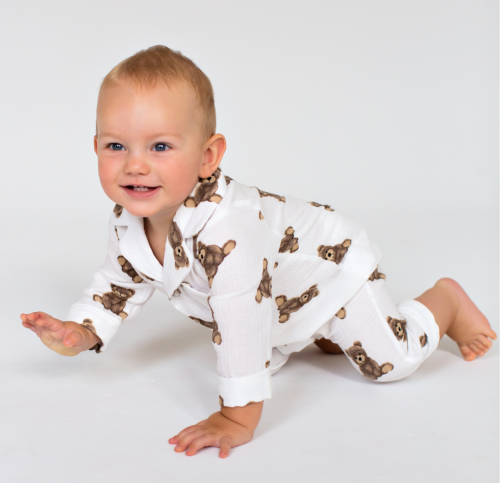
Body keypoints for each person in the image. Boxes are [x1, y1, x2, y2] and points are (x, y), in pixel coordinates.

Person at [20, 45, 497, 459]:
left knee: (388, 364)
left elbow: (243, 320)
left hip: (332, 270)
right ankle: (322, 330)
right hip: (284, 298)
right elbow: (118, 282)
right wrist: (81, 331)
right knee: (282, 344)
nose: (135, 164)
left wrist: (236, 417)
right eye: (116, 146)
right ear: (95, 147)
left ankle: (446, 302)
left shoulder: (230, 229)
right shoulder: (128, 219)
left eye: (160, 146)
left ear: (208, 156)